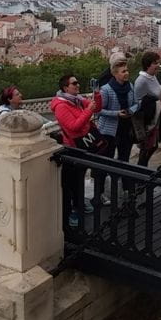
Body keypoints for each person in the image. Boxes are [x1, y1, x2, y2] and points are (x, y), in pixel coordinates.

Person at [50, 74, 102, 227]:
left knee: (79, 179)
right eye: (74, 83)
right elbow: (73, 127)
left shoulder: (77, 100)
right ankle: (72, 210)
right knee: (71, 182)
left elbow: (97, 107)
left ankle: (79, 205)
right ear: (66, 87)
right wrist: (88, 111)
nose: (78, 85)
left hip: (82, 146)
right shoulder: (61, 106)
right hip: (72, 148)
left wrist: (97, 93)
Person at [98, 59, 138, 162]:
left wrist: (130, 111)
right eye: (123, 71)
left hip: (126, 129)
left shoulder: (130, 86)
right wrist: (117, 114)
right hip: (109, 132)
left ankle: (122, 178)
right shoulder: (106, 89)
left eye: (127, 70)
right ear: (115, 74)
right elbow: (98, 110)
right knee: (107, 160)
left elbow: (136, 104)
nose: (127, 73)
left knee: (124, 159)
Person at [133, 51, 161, 167]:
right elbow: (138, 103)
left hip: (156, 118)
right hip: (147, 120)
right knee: (147, 147)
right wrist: (156, 104)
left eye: (158, 62)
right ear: (148, 65)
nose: (158, 65)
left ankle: (143, 168)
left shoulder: (152, 77)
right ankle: (140, 171)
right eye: (155, 63)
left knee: (153, 145)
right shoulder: (141, 81)